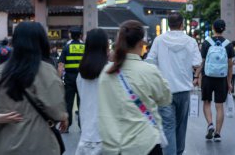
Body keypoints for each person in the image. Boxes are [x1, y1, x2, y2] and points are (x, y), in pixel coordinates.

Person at [0, 22, 68, 155]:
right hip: (38, 146)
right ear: (42, 42)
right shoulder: (46, 71)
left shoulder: (1, 71)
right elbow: (56, 110)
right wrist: (64, 116)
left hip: (3, 147)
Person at [98, 20, 172, 155]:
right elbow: (165, 99)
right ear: (140, 43)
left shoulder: (105, 73)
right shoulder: (149, 71)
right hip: (146, 143)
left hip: (114, 146)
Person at [147, 12, 202, 155]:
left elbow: (150, 61)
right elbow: (197, 62)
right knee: (181, 126)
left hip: (164, 90)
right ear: (182, 24)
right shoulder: (191, 41)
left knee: (168, 126)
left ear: (169, 24)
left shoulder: (159, 40)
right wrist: (195, 76)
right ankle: (178, 152)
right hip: (184, 90)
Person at [195, 19, 234, 142]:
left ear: (213, 28)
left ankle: (210, 124)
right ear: (224, 28)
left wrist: (197, 76)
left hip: (207, 76)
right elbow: (230, 65)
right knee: (219, 106)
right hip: (221, 78)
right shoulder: (228, 44)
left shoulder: (207, 43)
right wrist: (229, 82)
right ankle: (218, 133)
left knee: (207, 102)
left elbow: (202, 62)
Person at [76, 29, 109, 155]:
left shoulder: (81, 74)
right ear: (105, 46)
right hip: (107, 137)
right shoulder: (111, 71)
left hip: (87, 136)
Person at [58, 27, 85, 130]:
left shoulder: (66, 47)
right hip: (82, 78)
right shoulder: (85, 47)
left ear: (70, 35)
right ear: (80, 35)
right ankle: (82, 126)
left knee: (68, 103)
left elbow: (61, 65)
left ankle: (67, 126)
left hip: (69, 78)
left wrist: (59, 79)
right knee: (81, 102)